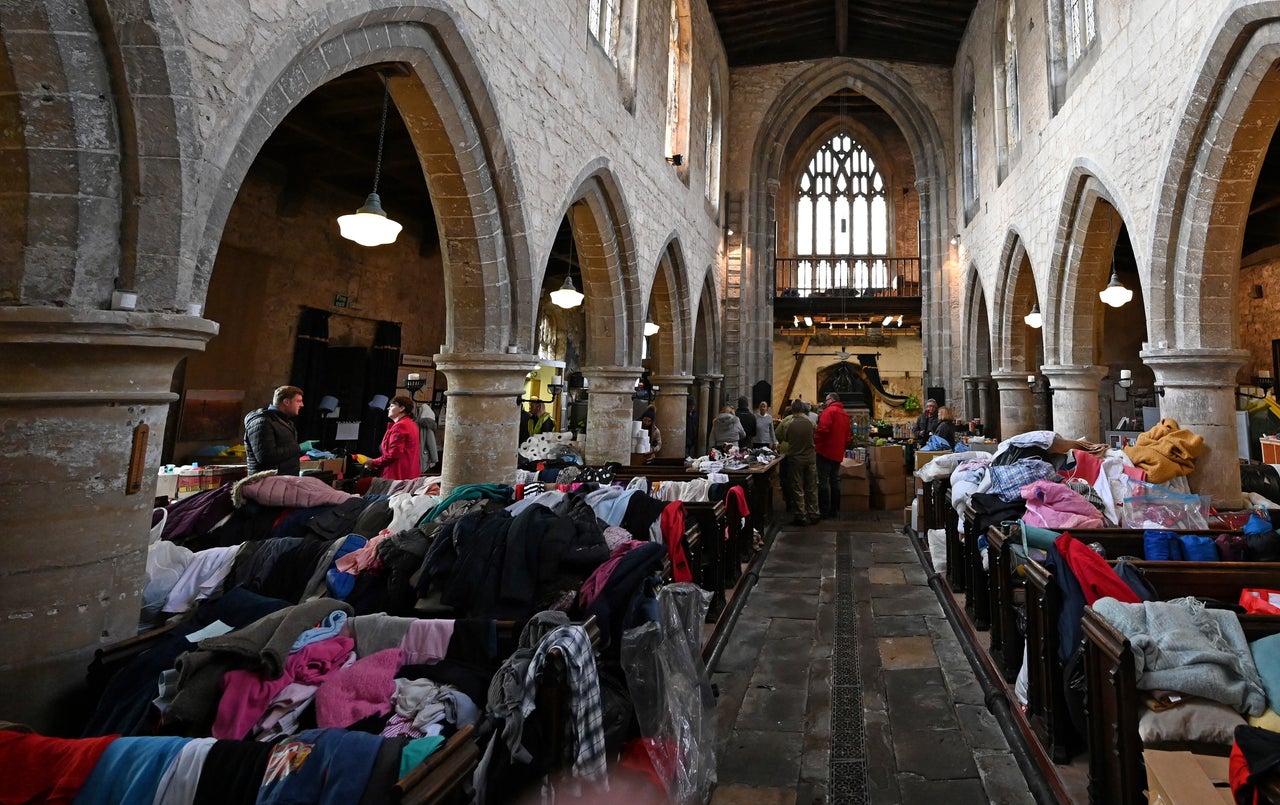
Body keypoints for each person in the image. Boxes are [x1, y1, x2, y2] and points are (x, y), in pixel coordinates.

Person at [244, 385, 304, 476]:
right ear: (286, 402)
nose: (302, 405)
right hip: (267, 483)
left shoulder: (286, 422)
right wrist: (298, 448)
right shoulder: (262, 422)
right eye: (298, 401)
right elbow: (266, 457)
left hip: (283, 481)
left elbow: (286, 454)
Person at [360, 395, 421, 480]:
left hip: (397, 474)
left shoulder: (401, 426)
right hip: (408, 473)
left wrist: (373, 462)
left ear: (402, 408)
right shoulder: (411, 424)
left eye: (392, 406)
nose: (388, 408)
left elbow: (394, 454)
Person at [778, 399, 818, 525]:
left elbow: (784, 438)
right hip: (810, 458)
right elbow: (815, 435)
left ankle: (801, 515)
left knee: (797, 487)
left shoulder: (788, 423)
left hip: (795, 459)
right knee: (811, 487)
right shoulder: (811, 422)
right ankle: (814, 513)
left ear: (792, 409)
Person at [815, 392, 851, 519]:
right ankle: (835, 510)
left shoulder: (828, 412)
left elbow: (823, 430)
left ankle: (824, 510)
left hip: (825, 451)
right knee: (835, 480)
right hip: (837, 452)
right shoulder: (845, 414)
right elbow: (848, 437)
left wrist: (816, 442)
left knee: (823, 480)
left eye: (826, 400)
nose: (825, 402)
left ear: (831, 400)